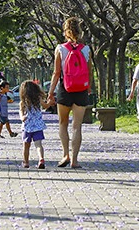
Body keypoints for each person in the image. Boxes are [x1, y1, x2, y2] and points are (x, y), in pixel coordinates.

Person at [46, 16, 91, 169]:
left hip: (65, 89)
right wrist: (88, 87)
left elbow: (56, 73)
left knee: (63, 123)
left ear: (66, 32)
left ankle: (65, 154)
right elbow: (89, 72)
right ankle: (75, 160)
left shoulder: (60, 49)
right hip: (81, 90)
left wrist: (50, 92)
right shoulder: (86, 49)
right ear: (80, 31)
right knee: (77, 126)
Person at [19, 80, 47, 169]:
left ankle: (26, 162)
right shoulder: (38, 99)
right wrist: (50, 102)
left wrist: (22, 117)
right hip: (38, 126)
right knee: (38, 144)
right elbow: (45, 106)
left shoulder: (23, 102)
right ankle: (41, 159)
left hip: (27, 127)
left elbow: (21, 113)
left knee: (26, 145)